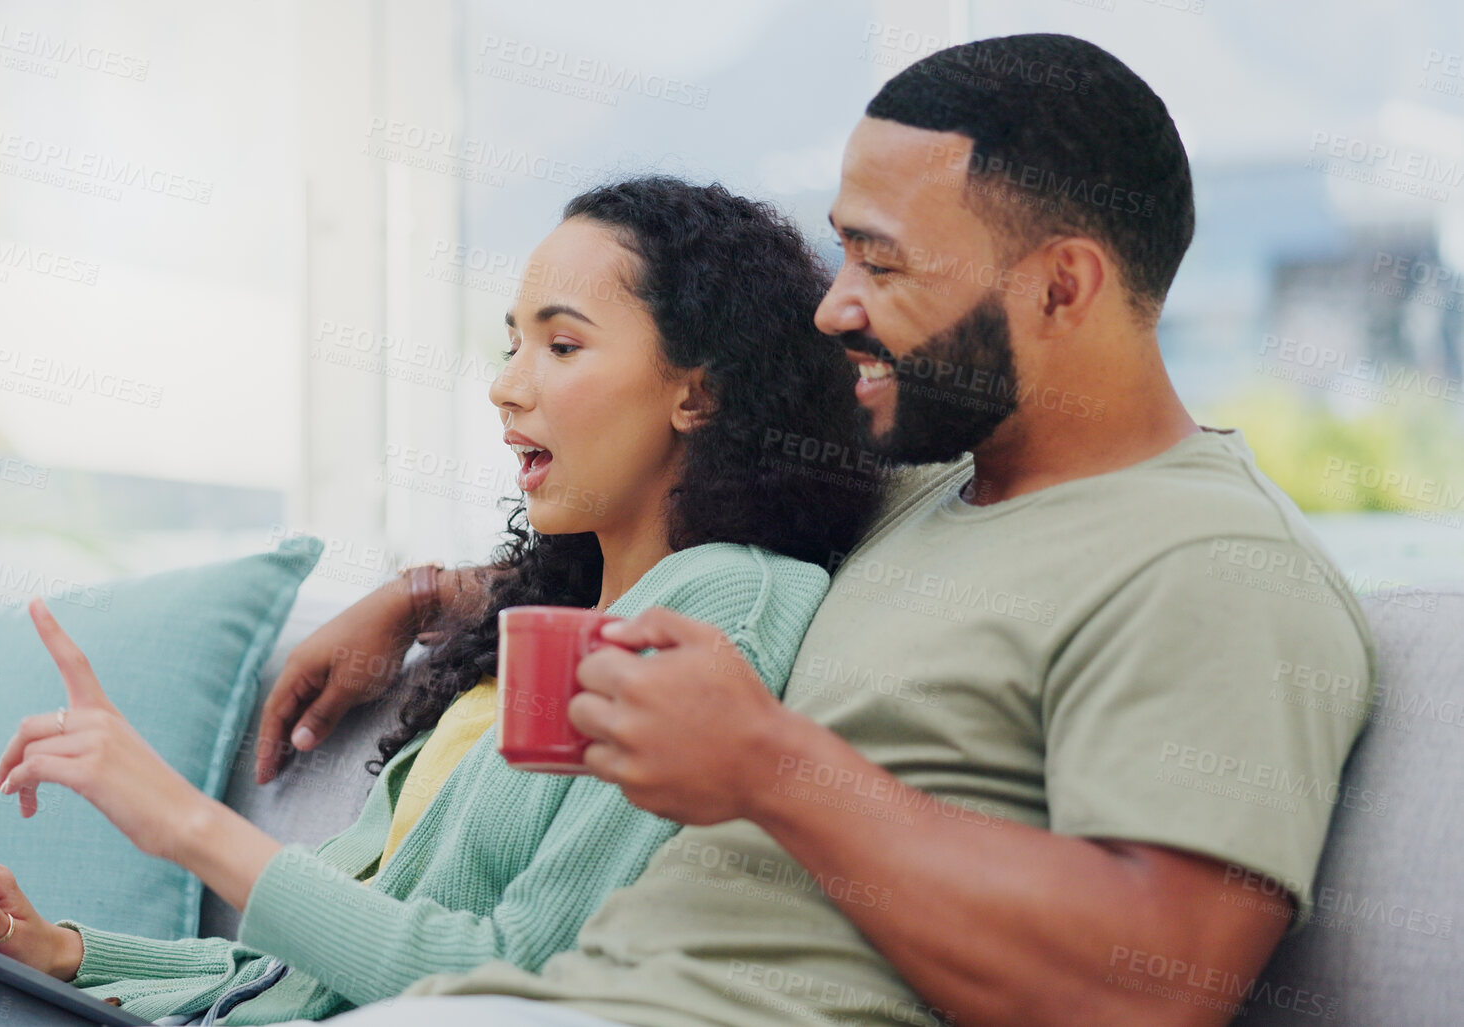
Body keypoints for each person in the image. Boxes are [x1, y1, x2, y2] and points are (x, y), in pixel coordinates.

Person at [0, 177, 880, 1026]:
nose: (505, 383)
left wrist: (175, 815)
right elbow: (296, 969)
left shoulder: (726, 603)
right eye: (507, 341)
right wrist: (62, 946)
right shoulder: (555, 618)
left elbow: (492, 970)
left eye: (560, 344)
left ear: (697, 386)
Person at [258, 33, 1376, 1027]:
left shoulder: (1213, 566)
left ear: (1062, 286)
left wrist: (773, 766)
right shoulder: (919, 490)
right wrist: (424, 598)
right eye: (842, 253)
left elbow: (1152, 989)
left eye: (881, 263)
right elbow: (677, 538)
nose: (832, 306)